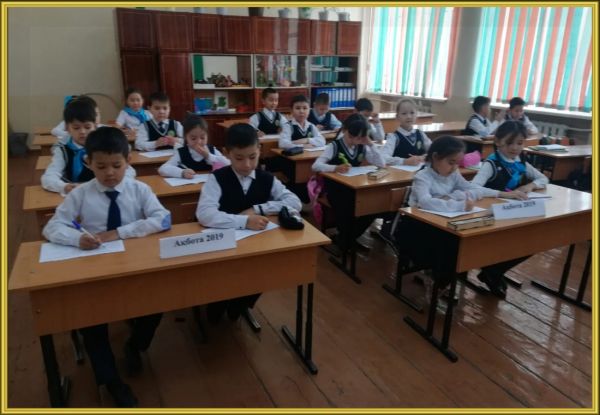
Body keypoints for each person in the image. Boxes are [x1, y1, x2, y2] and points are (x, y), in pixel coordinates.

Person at [42, 127, 172, 407]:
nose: (110, 173)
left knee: (158, 303)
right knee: (92, 323)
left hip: (136, 266)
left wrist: (120, 232)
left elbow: (163, 219)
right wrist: (76, 238)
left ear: (128, 161)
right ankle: (111, 380)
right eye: (101, 166)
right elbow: (52, 227)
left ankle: (134, 346)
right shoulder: (80, 194)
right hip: (95, 269)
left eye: (116, 165)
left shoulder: (139, 189)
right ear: (88, 162)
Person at [196, 123, 301, 322]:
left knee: (264, 273)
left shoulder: (266, 178)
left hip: (257, 245)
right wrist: (244, 221)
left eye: (252, 157)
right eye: (239, 158)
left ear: (259, 150)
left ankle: (240, 304)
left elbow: (294, 202)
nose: (246, 164)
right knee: (221, 290)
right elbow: (204, 214)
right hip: (224, 246)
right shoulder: (217, 178)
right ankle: (218, 304)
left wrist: (259, 209)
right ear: (227, 153)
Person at [396, 136, 525, 296]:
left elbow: (473, 189)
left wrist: (501, 194)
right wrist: (459, 204)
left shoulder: (453, 174)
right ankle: (439, 280)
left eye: (457, 163)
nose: (455, 167)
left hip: (445, 223)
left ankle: (447, 278)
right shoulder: (422, 177)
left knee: (473, 239)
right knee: (454, 246)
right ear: (435, 157)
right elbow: (425, 202)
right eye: (451, 162)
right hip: (418, 229)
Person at [470, 120, 549, 296]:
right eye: (510, 143)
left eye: (519, 143)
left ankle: (494, 270)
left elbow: (543, 179)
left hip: (511, 213)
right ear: (498, 142)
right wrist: (504, 194)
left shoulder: (521, 162)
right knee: (510, 241)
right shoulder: (492, 163)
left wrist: (530, 186)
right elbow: (473, 187)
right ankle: (492, 271)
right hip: (490, 215)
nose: (515, 148)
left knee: (532, 242)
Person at [311, 113, 385, 252]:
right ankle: (346, 240)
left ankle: (346, 239)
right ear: (346, 131)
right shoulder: (335, 146)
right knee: (347, 208)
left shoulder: (362, 145)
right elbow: (315, 166)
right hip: (335, 189)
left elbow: (381, 164)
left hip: (355, 188)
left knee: (372, 207)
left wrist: (370, 144)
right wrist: (335, 168)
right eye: (352, 137)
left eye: (360, 138)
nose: (355, 141)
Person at [41, 98, 135, 195]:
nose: (82, 132)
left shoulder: (105, 145)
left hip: (105, 192)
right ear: (67, 128)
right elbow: (49, 177)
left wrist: (117, 183)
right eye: (76, 128)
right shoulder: (63, 150)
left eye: (87, 127)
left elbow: (129, 171)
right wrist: (64, 187)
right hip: (77, 195)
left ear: (95, 126)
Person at [158, 114, 229, 178]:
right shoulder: (182, 152)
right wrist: (182, 172)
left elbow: (229, 164)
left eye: (202, 137)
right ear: (186, 137)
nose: (198, 142)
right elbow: (162, 169)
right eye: (193, 138)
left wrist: (208, 156)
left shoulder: (212, 150)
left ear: (207, 136)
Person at [381, 98, 432, 166]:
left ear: (416, 115)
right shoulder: (393, 137)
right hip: (401, 172)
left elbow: (434, 150)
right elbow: (383, 157)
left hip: (421, 170)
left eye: (412, 113)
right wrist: (405, 161)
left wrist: (424, 157)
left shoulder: (421, 134)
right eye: (404, 113)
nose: (409, 116)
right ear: (397, 117)